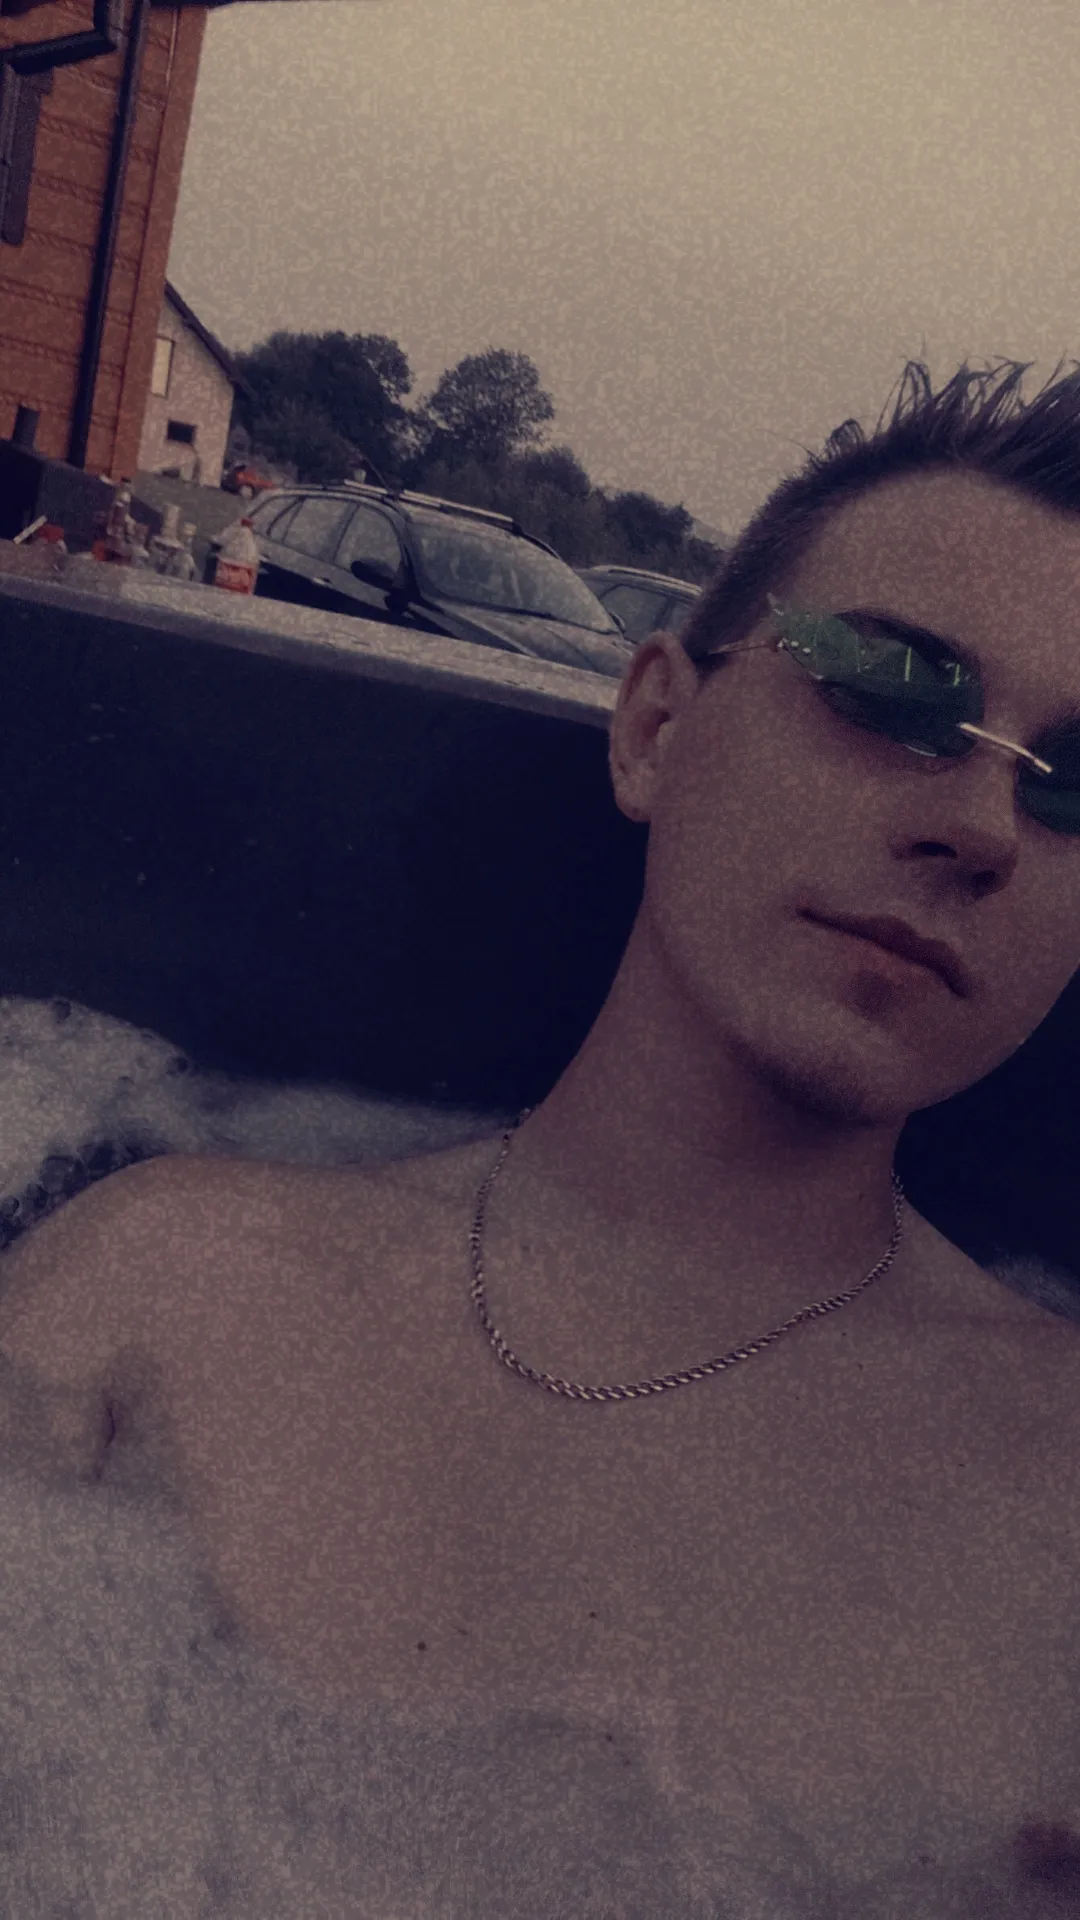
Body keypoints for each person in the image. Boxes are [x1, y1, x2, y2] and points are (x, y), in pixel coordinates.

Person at [2, 357, 1080, 1912]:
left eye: (1075, 784)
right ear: (655, 729)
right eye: (895, 691)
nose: (980, 827)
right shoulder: (167, 1290)